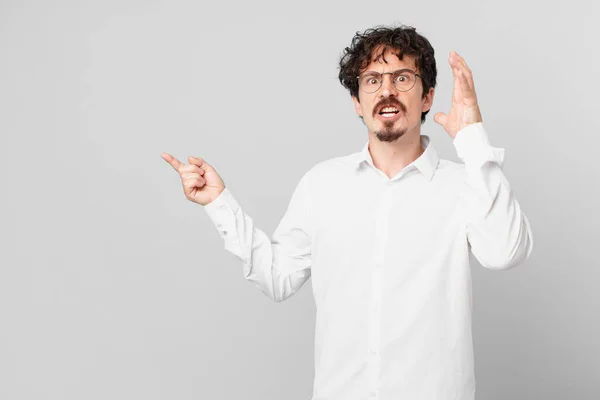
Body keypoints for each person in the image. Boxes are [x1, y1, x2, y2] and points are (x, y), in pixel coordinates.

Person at [161, 24, 533, 400]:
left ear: (427, 97)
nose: (386, 90)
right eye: (371, 80)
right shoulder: (321, 184)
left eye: (402, 77)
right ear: (357, 101)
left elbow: (505, 252)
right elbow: (277, 278)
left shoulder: (464, 185)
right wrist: (220, 203)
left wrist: (472, 138)